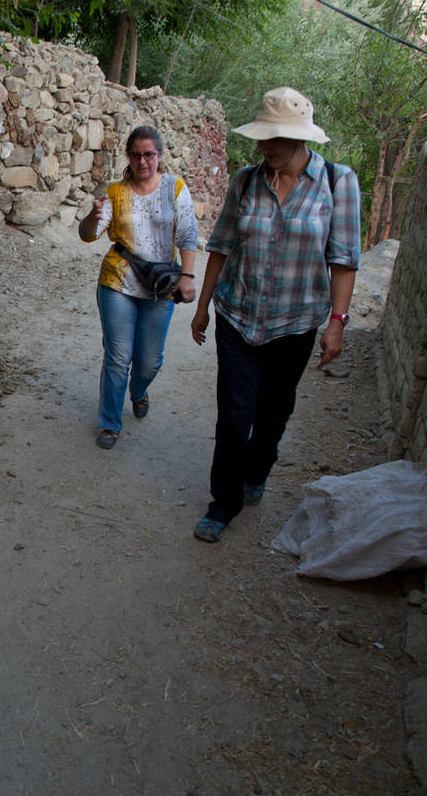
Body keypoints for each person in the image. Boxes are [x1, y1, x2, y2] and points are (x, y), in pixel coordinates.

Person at [190, 86, 360, 543]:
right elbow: (221, 246)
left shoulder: (337, 183)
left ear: (302, 140)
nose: (266, 148)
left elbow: (343, 260)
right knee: (233, 416)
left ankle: (257, 470)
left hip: (295, 324)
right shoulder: (245, 181)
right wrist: (203, 307)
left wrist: (336, 326)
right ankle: (221, 505)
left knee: (272, 415)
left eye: (276, 141)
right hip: (239, 316)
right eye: (263, 139)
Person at [78, 125, 198, 450]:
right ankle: (110, 423)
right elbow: (88, 234)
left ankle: (139, 390)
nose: (143, 161)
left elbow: (188, 236)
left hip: (161, 285)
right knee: (118, 356)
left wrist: (187, 276)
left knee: (148, 361)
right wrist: (92, 216)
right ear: (128, 157)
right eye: (136, 154)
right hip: (118, 280)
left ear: (159, 156)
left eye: (149, 154)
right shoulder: (115, 192)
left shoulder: (175, 189)